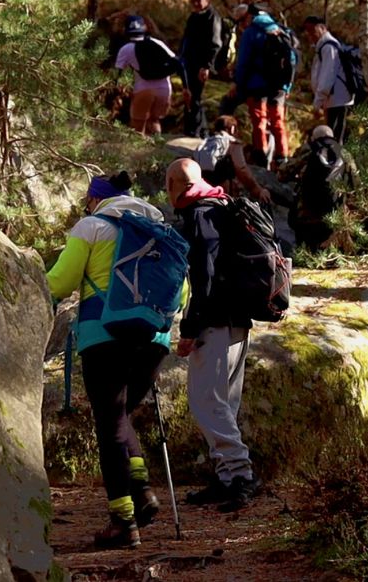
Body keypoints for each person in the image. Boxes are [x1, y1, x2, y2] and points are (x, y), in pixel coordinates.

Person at [45, 172, 172, 549]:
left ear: (96, 199)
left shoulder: (92, 227)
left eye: (87, 201)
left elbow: (60, 282)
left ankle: (123, 522)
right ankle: (142, 491)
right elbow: (179, 291)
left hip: (105, 336)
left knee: (110, 425)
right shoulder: (159, 230)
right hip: (154, 339)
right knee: (120, 416)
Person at [165, 157, 261, 512]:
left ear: (175, 186)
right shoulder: (223, 206)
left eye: (168, 185)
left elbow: (204, 279)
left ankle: (242, 475)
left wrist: (190, 328)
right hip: (239, 321)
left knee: (206, 401)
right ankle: (227, 477)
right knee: (224, 403)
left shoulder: (201, 215)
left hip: (216, 323)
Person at [231, 4, 296, 169]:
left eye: (240, 22)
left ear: (248, 17)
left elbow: (243, 63)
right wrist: (287, 86)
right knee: (278, 122)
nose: (240, 26)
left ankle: (261, 158)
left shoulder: (251, 33)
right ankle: (282, 158)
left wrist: (239, 85)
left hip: (257, 85)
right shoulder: (280, 30)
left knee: (259, 122)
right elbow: (292, 61)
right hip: (279, 86)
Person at [277, 125, 353, 250]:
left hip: (307, 215)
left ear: (313, 138)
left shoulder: (309, 149)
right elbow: (356, 184)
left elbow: (282, 175)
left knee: (304, 248)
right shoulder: (345, 154)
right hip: (335, 215)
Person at [115, 15, 190, 136]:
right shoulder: (156, 42)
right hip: (164, 89)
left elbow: (117, 74)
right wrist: (186, 88)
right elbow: (178, 63)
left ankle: (138, 148)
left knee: (137, 126)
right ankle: (157, 146)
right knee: (155, 121)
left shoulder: (126, 49)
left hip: (143, 89)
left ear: (125, 29)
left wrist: (117, 95)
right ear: (144, 27)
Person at [195, 115, 272, 204]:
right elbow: (241, 169)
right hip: (223, 192)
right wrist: (258, 190)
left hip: (203, 190)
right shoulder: (232, 143)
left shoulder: (204, 143)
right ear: (232, 129)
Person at [302, 16, 354, 143]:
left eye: (312, 30)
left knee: (333, 138)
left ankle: (335, 155)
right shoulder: (323, 47)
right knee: (332, 136)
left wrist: (317, 103)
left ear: (322, 28)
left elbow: (327, 77)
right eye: (307, 31)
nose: (310, 35)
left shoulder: (329, 48)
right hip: (333, 100)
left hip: (337, 100)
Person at [180, 0, 223, 138]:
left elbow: (215, 43)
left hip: (200, 65)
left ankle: (198, 131)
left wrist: (206, 66)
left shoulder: (213, 17)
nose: (196, 3)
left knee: (195, 96)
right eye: (194, 1)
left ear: (207, 0)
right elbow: (186, 40)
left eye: (199, 0)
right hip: (188, 63)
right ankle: (194, 129)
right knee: (190, 96)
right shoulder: (194, 17)